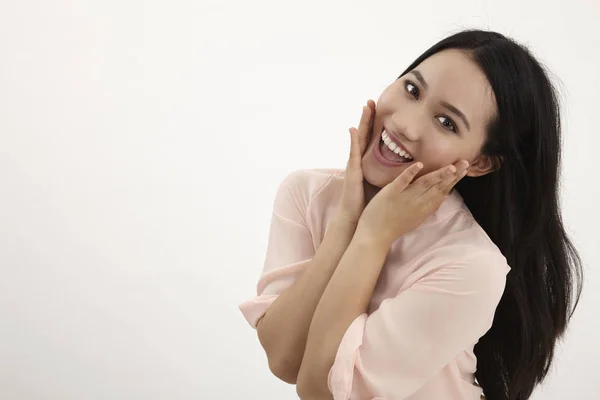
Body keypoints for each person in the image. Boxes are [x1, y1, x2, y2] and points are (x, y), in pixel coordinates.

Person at [239, 29, 583, 400]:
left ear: (480, 162)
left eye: (447, 122)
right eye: (413, 90)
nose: (405, 124)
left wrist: (372, 236)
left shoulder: (471, 266)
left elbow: (320, 391)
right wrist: (346, 225)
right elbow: (282, 358)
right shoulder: (307, 193)